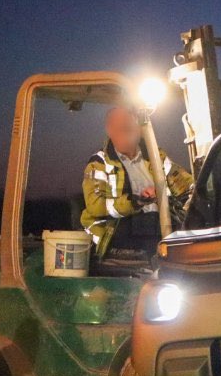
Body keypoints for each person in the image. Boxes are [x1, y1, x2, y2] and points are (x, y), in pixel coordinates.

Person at [81, 106, 193, 261]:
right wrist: (136, 201)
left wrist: (202, 190)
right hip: (116, 232)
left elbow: (184, 184)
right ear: (109, 131)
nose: (121, 134)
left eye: (127, 129)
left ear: (140, 130)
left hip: (160, 228)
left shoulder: (156, 156)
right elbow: (95, 206)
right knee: (152, 224)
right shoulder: (99, 163)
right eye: (116, 129)